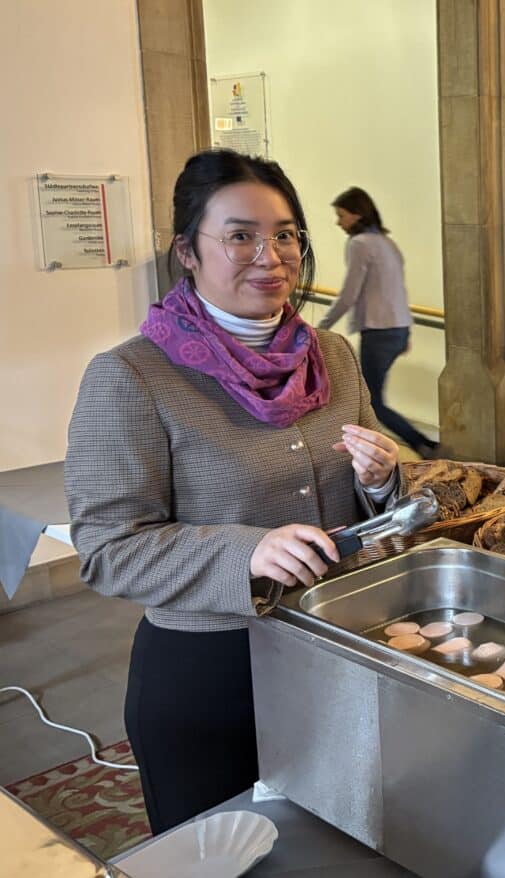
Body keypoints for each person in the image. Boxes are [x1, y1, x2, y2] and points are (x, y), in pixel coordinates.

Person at [64, 150, 402, 834]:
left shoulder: (331, 355)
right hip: (209, 674)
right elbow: (106, 549)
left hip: (334, 647)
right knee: (217, 852)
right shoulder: (131, 376)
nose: (270, 255)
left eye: (286, 234)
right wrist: (247, 553)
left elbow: (376, 503)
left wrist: (383, 479)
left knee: (340, 841)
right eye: (241, 235)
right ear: (187, 251)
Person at [319, 186, 440, 459]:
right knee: (369, 395)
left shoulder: (360, 244)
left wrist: (321, 327)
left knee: (371, 400)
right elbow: (397, 290)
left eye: (341, 215)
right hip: (397, 329)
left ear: (357, 214)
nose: (338, 222)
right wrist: (405, 332)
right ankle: (417, 444)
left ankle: (422, 444)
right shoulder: (387, 243)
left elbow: (350, 293)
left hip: (379, 332)